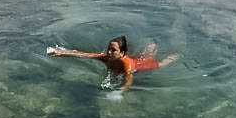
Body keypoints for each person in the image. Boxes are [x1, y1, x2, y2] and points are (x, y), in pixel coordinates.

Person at [48, 36, 178, 91]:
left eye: (113, 50)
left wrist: (120, 92)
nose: (109, 52)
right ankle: (151, 46)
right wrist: (61, 53)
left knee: (158, 63)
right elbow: (84, 54)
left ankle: (176, 54)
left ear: (122, 52)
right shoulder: (106, 57)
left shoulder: (126, 64)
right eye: (109, 48)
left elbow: (128, 81)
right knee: (144, 55)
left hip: (138, 66)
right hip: (133, 60)